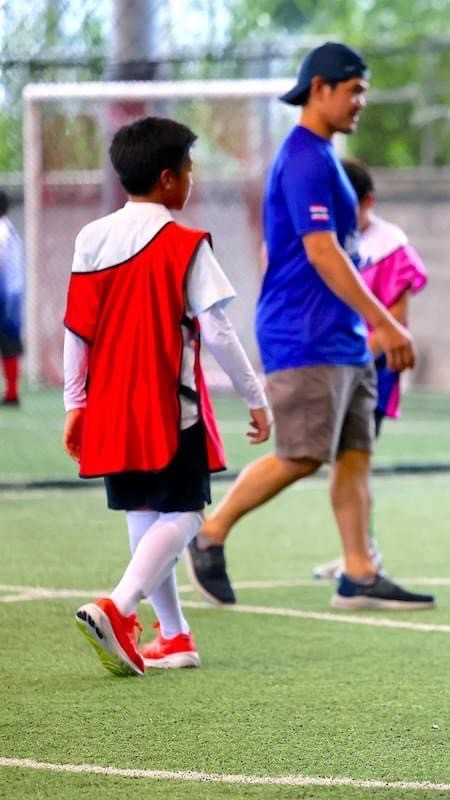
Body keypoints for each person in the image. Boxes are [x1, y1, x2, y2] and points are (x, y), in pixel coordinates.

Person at [183, 42, 435, 611]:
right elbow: (323, 253)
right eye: (354, 91)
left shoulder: (324, 157)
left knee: (353, 455)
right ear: (320, 87)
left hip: (341, 336)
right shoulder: (301, 158)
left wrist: (364, 326)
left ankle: (359, 573)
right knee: (300, 455)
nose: (361, 103)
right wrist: (386, 325)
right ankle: (209, 532)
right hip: (303, 333)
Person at [65, 116, 271, 676]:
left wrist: (73, 403)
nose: (192, 179)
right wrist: (256, 397)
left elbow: (76, 331)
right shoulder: (184, 245)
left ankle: (175, 636)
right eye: (188, 169)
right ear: (167, 179)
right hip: (168, 405)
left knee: (142, 507)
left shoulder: (90, 238)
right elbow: (221, 331)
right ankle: (119, 606)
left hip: (108, 405)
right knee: (185, 512)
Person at [309, 158, 429, 580]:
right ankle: (358, 551)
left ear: (367, 202)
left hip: (368, 375)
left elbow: (393, 325)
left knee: (352, 466)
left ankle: (362, 553)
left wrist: (349, 357)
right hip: (335, 369)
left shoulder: (389, 246)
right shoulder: (329, 241)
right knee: (347, 467)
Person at [0, 190, 24, 406]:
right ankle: (12, 392)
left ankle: (12, 393)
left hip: (3, 294)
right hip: (13, 295)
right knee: (9, 343)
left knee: (8, 343)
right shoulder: (10, 229)